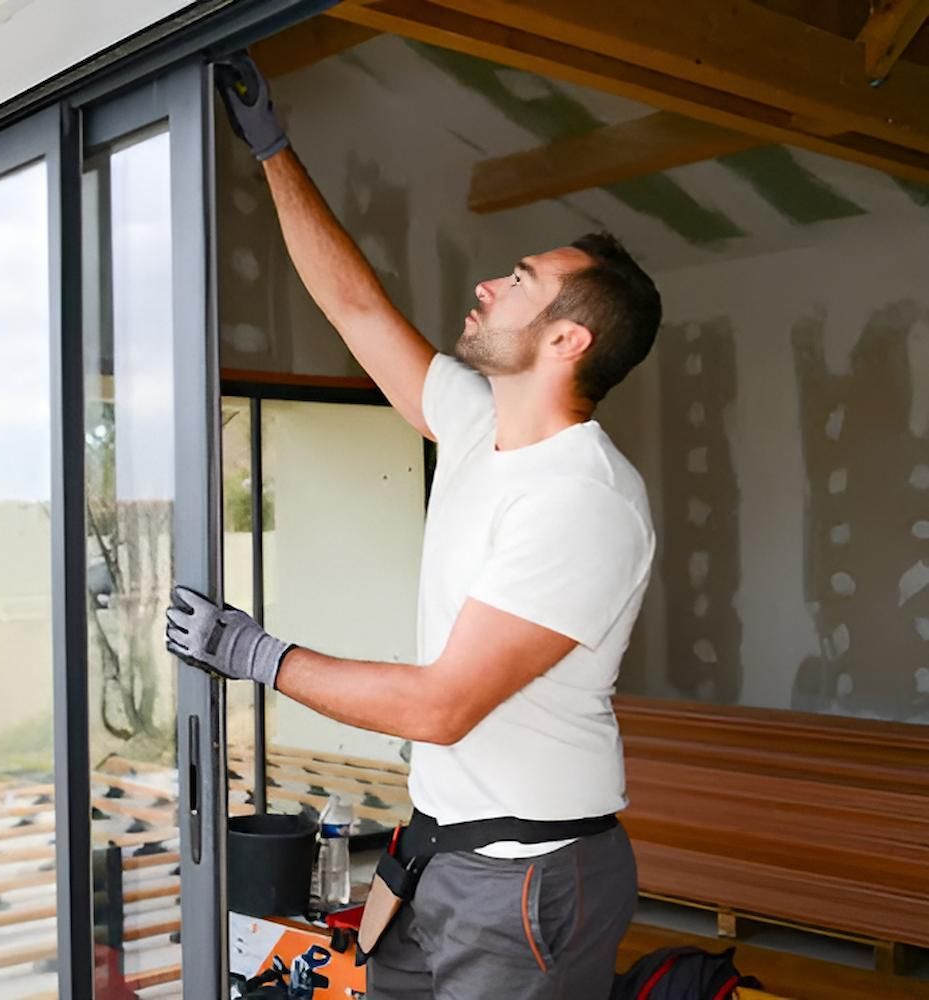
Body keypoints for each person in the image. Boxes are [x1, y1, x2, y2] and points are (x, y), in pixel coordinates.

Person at [166, 54, 662, 999]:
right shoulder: (478, 422)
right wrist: (272, 150)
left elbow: (442, 705)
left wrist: (256, 655)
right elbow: (353, 306)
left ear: (567, 340)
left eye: (517, 281)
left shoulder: (581, 499)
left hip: (525, 883)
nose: (486, 285)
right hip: (438, 854)